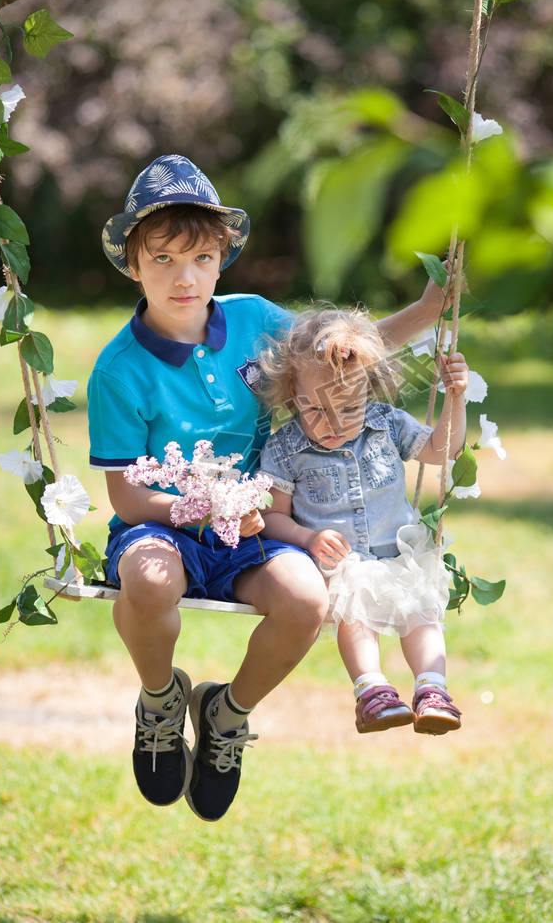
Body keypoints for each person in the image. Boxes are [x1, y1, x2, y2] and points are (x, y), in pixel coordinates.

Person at [87, 153, 454, 820]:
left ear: (221, 260)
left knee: (307, 598)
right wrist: (198, 507)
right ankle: (162, 700)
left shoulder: (254, 321)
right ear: (132, 265)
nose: (183, 275)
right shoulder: (119, 370)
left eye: (199, 257)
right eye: (163, 259)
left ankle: (227, 713)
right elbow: (126, 497)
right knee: (147, 578)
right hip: (162, 523)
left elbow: (348, 348)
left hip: (255, 525)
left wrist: (428, 310)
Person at [258, 307, 468, 736]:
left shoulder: (387, 426)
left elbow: (441, 450)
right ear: (292, 391)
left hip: (398, 554)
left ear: (368, 390)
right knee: (356, 610)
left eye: (349, 408)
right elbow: (272, 517)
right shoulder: (284, 449)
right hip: (343, 562)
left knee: (421, 611)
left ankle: (433, 690)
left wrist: (457, 397)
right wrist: (308, 537)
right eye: (316, 409)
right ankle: (372, 692)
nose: (333, 424)